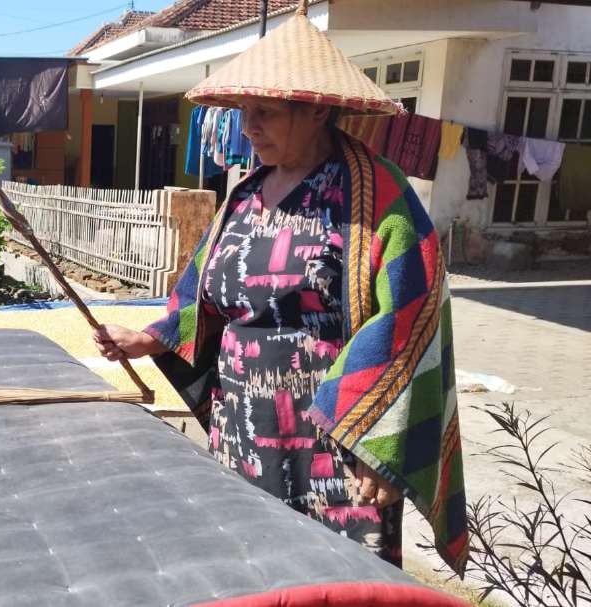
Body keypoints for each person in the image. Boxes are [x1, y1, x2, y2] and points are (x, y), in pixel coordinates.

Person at [93, 1, 468, 575]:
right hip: (241, 423)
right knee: (250, 563)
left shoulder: (375, 194)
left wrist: (377, 438)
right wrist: (149, 338)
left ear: (316, 111)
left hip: (333, 438)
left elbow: (410, 317)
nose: (248, 127)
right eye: (244, 110)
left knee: (333, 574)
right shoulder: (244, 195)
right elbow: (203, 292)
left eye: (265, 111)